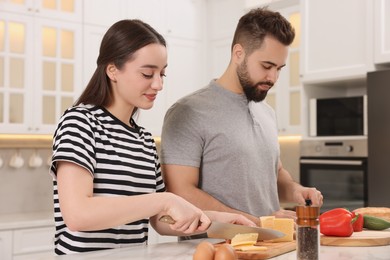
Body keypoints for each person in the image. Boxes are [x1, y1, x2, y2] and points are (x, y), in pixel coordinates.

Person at [49, 19, 255, 255]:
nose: (158, 84)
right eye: (147, 73)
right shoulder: (81, 122)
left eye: (162, 74)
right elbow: (78, 214)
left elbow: (160, 220)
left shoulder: (145, 140)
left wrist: (218, 219)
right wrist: (165, 200)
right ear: (112, 70)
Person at [160, 7, 323, 227]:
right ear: (239, 53)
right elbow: (181, 192)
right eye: (266, 66)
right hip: (212, 249)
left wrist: (296, 191)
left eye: (279, 68)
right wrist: (259, 223)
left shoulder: (266, 112)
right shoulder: (188, 112)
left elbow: (274, 173)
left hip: (271, 247)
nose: (273, 77)